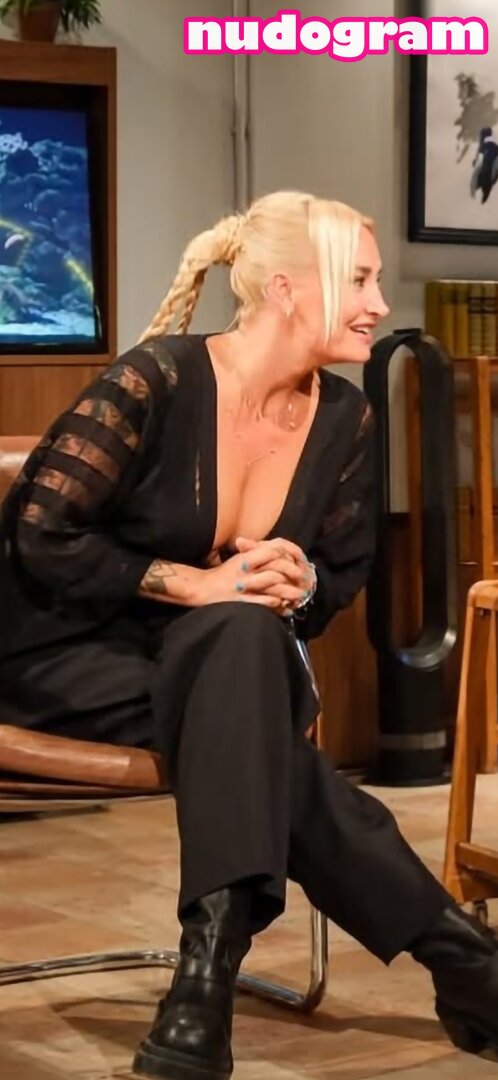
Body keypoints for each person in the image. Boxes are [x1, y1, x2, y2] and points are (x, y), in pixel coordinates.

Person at [1, 190, 497, 1080]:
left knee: (240, 640)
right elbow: (42, 533)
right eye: (360, 281)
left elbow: (338, 576)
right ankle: (460, 954)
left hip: (220, 664)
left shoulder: (344, 418)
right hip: (68, 654)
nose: (380, 304)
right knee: (248, 702)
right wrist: (190, 581)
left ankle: (205, 982)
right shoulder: (154, 380)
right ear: (285, 289)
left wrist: (299, 581)